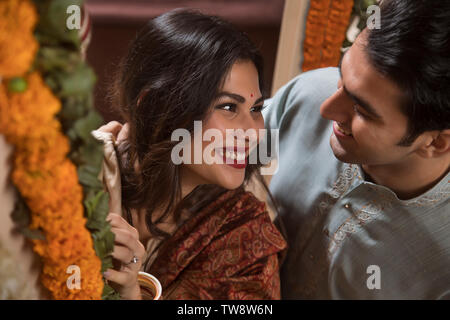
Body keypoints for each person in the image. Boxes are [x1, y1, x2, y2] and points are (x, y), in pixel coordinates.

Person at [95, 9, 286, 300]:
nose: (252, 133)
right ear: (153, 107)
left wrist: (133, 293)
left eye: (256, 109)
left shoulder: (242, 239)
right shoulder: (83, 177)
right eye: (228, 107)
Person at [264, 0, 450, 299]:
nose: (325, 109)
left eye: (362, 111)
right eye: (342, 74)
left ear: (436, 142)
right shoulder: (309, 94)